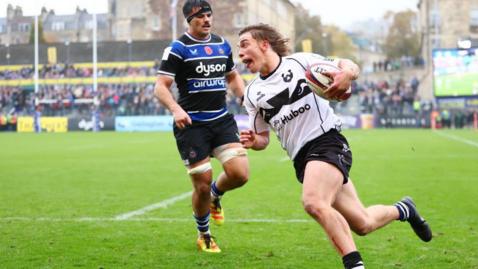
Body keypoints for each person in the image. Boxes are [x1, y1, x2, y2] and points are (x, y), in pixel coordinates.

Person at [238, 24, 432, 269]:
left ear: (264, 44)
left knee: (313, 202)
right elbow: (263, 139)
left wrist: (347, 75)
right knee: (363, 223)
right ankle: (404, 209)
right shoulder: (252, 93)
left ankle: (354, 265)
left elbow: (349, 65)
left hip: (327, 141)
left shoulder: (300, 63)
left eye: (245, 45)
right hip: (302, 160)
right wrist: (255, 141)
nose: (241, 54)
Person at [154, 0, 249, 253]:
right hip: (192, 125)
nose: (207, 20)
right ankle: (204, 234)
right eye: (200, 17)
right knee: (202, 183)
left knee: (240, 174)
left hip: (220, 119)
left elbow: (232, 76)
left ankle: (217, 196)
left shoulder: (221, 44)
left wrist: (245, 99)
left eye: (209, 15)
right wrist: (176, 109)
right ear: (189, 20)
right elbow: (160, 87)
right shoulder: (177, 48)